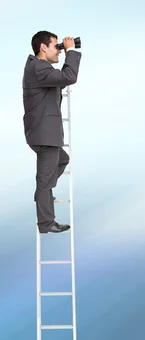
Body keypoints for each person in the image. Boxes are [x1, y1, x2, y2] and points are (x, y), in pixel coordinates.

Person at [22, 31, 82, 233]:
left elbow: (63, 79)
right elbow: (69, 76)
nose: (59, 50)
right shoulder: (39, 67)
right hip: (44, 134)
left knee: (62, 160)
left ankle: (43, 195)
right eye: (56, 45)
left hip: (44, 133)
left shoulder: (39, 68)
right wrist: (71, 51)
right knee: (45, 181)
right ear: (43, 47)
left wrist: (66, 52)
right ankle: (46, 223)